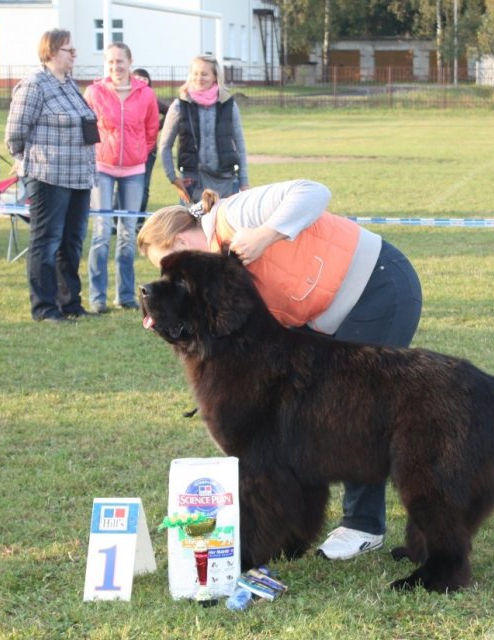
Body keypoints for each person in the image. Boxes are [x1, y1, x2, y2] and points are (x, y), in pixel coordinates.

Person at [137, 179, 423, 561]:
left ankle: (363, 524)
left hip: (378, 286)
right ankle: (296, 524)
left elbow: (314, 191)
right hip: (326, 314)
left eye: (174, 254)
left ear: (185, 231)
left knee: (354, 410)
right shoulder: (216, 269)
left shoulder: (234, 215)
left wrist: (264, 235)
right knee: (298, 422)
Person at [5, 29, 97, 323]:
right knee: (46, 242)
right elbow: (15, 133)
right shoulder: (34, 85)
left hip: (79, 177)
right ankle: (44, 307)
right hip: (48, 176)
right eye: (69, 50)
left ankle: (70, 303)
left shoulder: (69, 85)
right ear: (51, 52)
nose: (74, 55)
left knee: (71, 242)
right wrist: (26, 161)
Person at [85, 42, 159, 313]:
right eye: (110, 62)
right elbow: (87, 127)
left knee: (128, 234)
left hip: (133, 171)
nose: (115, 67)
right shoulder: (94, 93)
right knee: (102, 233)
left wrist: (139, 152)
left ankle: (125, 295)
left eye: (120, 61)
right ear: (105, 65)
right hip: (102, 168)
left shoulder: (146, 94)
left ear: (130, 62)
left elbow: (151, 128)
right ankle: (97, 298)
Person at [159, 54, 249, 204]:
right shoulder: (179, 106)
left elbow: (240, 145)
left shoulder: (229, 105)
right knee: (193, 226)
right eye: (195, 73)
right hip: (192, 181)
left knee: (222, 227)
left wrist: (243, 181)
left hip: (225, 181)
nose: (199, 78)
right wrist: (173, 178)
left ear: (214, 76)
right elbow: (165, 145)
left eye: (204, 74)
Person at [131, 68, 169, 222]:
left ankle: (139, 219)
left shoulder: (151, 98)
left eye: (144, 78)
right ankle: (117, 218)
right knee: (123, 186)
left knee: (143, 185)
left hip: (148, 149)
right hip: (129, 149)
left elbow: (170, 111)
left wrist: (157, 126)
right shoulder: (127, 98)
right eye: (137, 77)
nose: (140, 81)